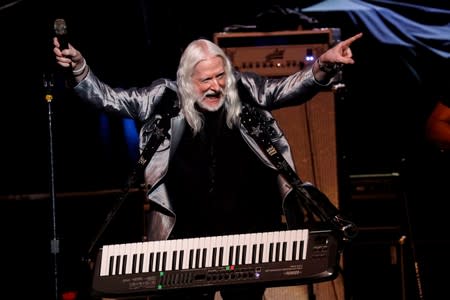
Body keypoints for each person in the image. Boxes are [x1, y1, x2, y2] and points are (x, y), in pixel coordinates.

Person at [53, 32, 363, 299]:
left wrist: (322, 66)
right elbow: (111, 99)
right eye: (206, 79)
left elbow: (285, 89)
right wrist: (80, 69)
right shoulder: (163, 97)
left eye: (220, 76)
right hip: (185, 243)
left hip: (248, 240)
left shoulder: (243, 90)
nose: (216, 86)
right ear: (187, 81)